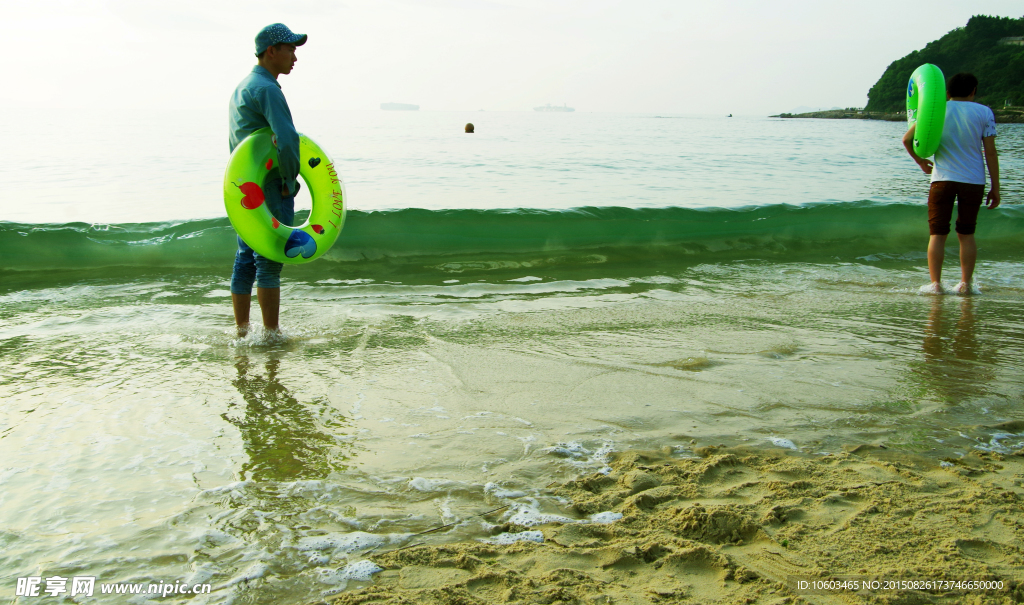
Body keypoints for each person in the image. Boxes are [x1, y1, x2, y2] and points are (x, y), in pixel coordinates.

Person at [228, 24, 307, 336]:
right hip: (270, 187)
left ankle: (242, 333)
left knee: (245, 259)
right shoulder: (268, 90)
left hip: (244, 188)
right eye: (290, 49)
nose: (295, 57)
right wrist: (290, 180)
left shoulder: (242, 87)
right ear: (271, 51)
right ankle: (271, 336)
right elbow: (287, 140)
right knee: (270, 260)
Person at [902, 72, 1000, 294]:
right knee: (966, 234)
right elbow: (991, 153)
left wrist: (921, 162)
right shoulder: (984, 112)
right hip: (973, 181)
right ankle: (966, 285)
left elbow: (907, 140)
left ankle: (936, 285)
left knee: (937, 234)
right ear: (973, 90)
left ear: (947, 92)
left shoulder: (935, 110)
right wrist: (996, 187)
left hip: (942, 180)